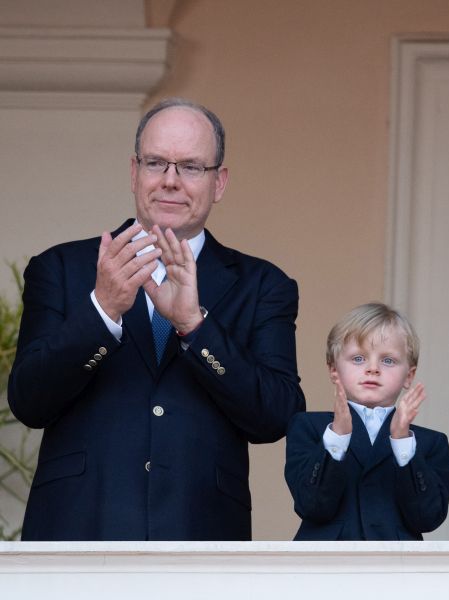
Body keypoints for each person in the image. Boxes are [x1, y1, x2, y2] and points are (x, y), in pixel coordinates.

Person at [8, 98, 305, 540]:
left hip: (200, 537)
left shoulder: (264, 285)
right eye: (156, 163)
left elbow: (278, 417)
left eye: (190, 166)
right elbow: (28, 401)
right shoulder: (62, 268)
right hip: (77, 532)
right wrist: (103, 310)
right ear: (134, 172)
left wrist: (196, 327)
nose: (170, 181)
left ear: (218, 182)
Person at [284, 302, 449, 540]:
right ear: (334, 370)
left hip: (397, 571)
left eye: (388, 361)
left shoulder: (430, 443)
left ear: (409, 376)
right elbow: (312, 506)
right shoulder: (309, 428)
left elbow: (427, 517)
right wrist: (338, 437)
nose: (373, 368)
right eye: (358, 358)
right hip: (325, 570)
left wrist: (401, 442)